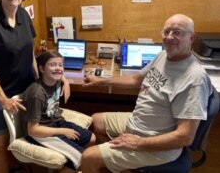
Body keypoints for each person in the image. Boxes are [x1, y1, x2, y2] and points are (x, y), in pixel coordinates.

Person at [81, 14, 213, 173]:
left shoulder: (194, 80)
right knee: (96, 120)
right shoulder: (164, 54)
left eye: (177, 32)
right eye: (166, 32)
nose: (169, 37)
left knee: (88, 157)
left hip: (156, 145)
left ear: (191, 38)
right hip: (139, 121)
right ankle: (124, 167)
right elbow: (136, 79)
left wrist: (137, 143)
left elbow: (185, 137)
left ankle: (114, 160)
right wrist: (100, 81)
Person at [0, 0, 70, 173]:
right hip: (0, 94)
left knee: (26, 136)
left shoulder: (24, 15)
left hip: (26, 88)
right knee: (0, 144)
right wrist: (2, 99)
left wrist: (56, 79)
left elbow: (30, 55)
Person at [21, 50, 96, 172]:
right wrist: (63, 131)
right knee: (85, 159)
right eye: (52, 65)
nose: (58, 69)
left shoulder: (55, 79)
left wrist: (66, 82)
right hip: (41, 133)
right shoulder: (37, 94)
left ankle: (71, 162)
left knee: (91, 138)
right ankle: (75, 160)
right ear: (41, 69)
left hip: (55, 121)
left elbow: (60, 74)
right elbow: (32, 130)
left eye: (60, 65)